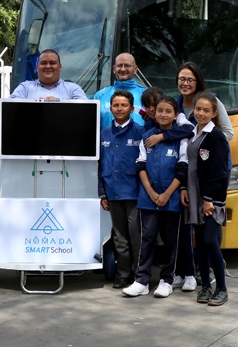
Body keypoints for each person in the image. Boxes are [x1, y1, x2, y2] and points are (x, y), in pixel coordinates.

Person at [122, 96, 188, 299]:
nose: (163, 114)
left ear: (175, 115)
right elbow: (140, 165)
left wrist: (167, 194)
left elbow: (182, 168)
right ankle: (141, 281)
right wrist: (151, 192)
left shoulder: (181, 139)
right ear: (154, 113)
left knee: (170, 240)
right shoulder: (147, 136)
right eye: (160, 111)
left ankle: (167, 280)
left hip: (171, 199)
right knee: (147, 238)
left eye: (168, 111)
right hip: (148, 198)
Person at [180, 92, 231, 306]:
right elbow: (188, 164)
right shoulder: (193, 132)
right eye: (198, 109)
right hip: (194, 196)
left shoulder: (216, 137)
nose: (200, 113)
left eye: (206, 110)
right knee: (200, 244)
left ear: (214, 113)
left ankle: (221, 289)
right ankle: (205, 287)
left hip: (210, 199)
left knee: (210, 241)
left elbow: (219, 171)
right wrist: (184, 188)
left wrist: (208, 199)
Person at [97, 90, 144, 289]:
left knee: (136, 235)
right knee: (119, 236)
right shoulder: (104, 134)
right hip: (112, 191)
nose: (119, 109)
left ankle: (139, 274)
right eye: (115, 105)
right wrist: (102, 192)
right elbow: (100, 165)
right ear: (110, 108)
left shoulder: (140, 132)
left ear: (132, 108)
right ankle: (123, 274)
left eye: (124, 105)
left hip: (135, 193)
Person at [175, 62, 234, 141]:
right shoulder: (173, 106)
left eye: (190, 80)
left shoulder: (212, 100)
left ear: (198, 82)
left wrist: (202, 142)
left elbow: (228, 133)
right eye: (182, 79)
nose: (185, 83)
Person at [92, 53, 146, 129]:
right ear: (114, 69)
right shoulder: (100, 95)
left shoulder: (146, 95)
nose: (123, 69)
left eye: (127, 65)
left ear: (135, 69)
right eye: (119, 65)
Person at [8, 49, 87, 100]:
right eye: (43, 63)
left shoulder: (73, 89)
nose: (48, 66)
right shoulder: (25, 88)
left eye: (52, 63)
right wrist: (34, 106)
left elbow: (86, 111)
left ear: (60, 67)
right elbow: (11, 109)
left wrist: (60, 105)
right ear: (37, 67)